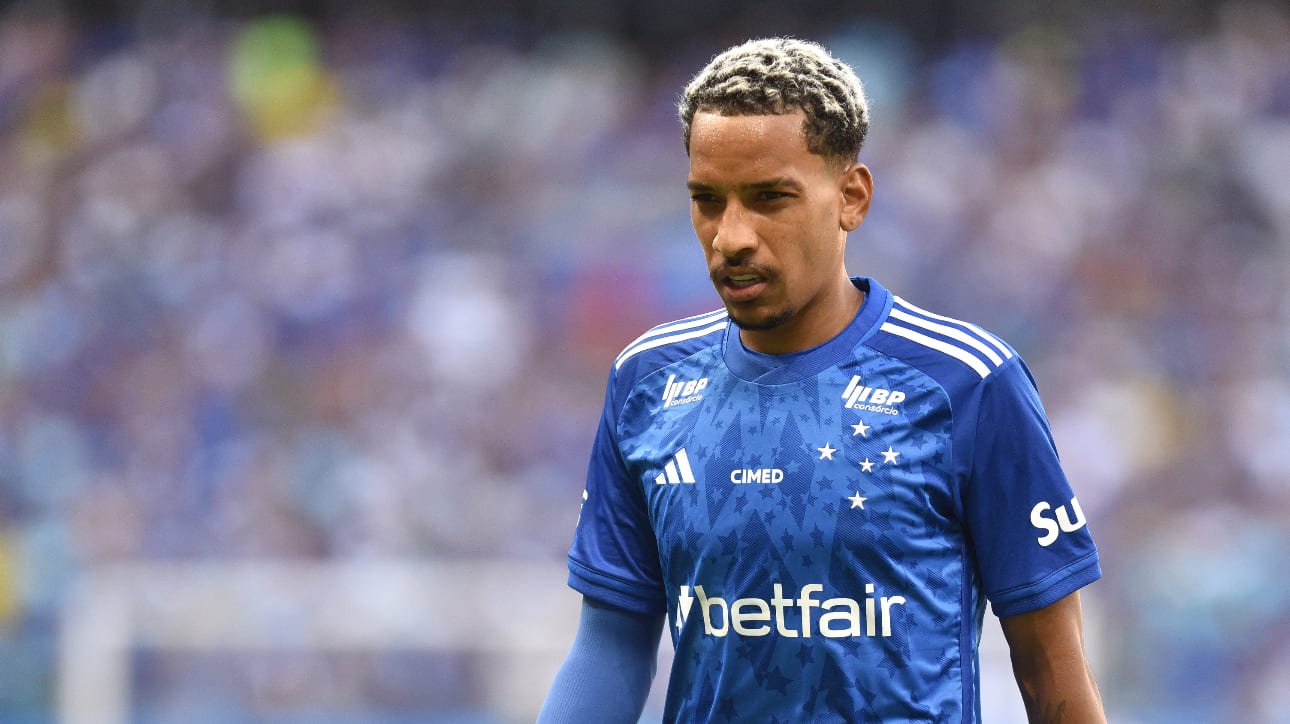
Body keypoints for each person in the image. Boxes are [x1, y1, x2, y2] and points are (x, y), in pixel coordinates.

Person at [538, 37, 1105, 723]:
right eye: (708, 201)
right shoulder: (646, 380)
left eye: (769, 198)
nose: (732, 236)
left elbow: (1050, 667)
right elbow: (612, 646)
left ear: (851, 198)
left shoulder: (967, 382)